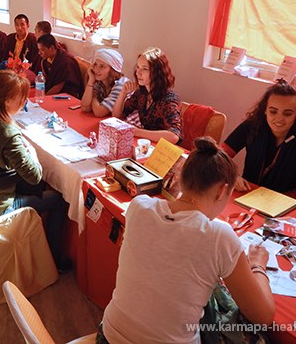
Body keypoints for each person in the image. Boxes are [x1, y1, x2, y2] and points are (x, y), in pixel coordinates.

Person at [98, 137, 275, 344]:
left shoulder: (139, 206)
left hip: (109, 337)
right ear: (221, 191)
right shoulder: (218, 235)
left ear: (180, 179)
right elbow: (263, 317)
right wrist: (257, 265)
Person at [0, 70, 71, 271]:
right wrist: (31, 152)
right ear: (6, 102)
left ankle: (35, 243)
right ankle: (53, 259)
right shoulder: (6, 133)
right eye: (21, 99)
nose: (24, 104)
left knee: (33, 187)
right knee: (59, 200)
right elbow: (34, 176)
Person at [222, 79, 296, 204]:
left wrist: (268, 201)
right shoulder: (253, 126)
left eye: (287, 113)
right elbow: (219, 155)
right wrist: (232, 176)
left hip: (282, 207)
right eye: (273, 111)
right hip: (247, 197)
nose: (279, 119)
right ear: (265, 110)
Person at [113, 47, 182, 143]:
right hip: (147, 145)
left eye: (144, 69)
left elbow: (173, 136)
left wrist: (138, 132)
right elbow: (116, 116)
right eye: (138, 67)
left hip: (164, 150)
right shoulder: (142, 93)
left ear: (157, 73)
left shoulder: (169, 100)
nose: (138, 73)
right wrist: (123, 94)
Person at [81, 48, 128, 117]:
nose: (96, 69)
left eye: (102, 66)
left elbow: (99, 112)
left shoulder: (121, 84)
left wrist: (94, 96)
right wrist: (91, 81)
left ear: (113, 70)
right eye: (95, 65)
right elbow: (85, 107)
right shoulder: (100, 82)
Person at [37, 34, 83, 98]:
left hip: (67, 95)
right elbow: (45, 78)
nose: (39, 53)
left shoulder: (66, 61)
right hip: (51, 92)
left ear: (52, 48)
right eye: (39, 50)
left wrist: (45, 97)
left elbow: (58, 86)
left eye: (42, 50)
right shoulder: (46, 59)